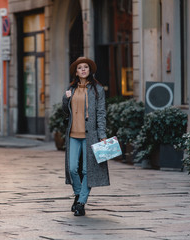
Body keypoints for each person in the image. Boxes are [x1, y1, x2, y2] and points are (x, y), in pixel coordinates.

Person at [62, 57, 110, 216]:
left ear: (90, 71)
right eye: (80, 67)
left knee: (86, 169)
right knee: (72, 168)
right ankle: (78, 193)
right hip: (73, 134)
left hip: (90, 135)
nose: (83, 69)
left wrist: (102, 134)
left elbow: (101, 113)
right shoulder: (72, 89)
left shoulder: (97, 89)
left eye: (86, 67)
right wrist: (66, 98)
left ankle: (81, 203)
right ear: (76, 72)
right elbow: (65, 110)